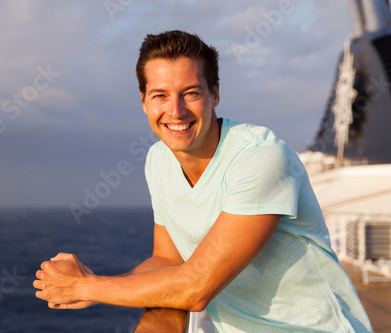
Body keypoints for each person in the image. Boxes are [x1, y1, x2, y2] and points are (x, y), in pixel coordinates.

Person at [34, 30, 373, 332]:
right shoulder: (158, 161)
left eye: (191, 93)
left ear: (215, 93)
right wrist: (96, 282)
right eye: (160, 95)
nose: (176, 110)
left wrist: (86, 287)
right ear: (143, 101)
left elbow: (194, 289)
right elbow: (167, 262)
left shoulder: (260, 157)